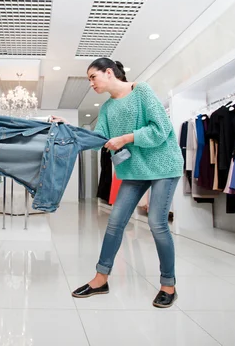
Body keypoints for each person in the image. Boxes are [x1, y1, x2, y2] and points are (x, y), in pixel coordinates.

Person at [53, 58, 183, 308]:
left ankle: (168, 285)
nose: (91, 83)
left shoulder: (141, 90)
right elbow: (97, 138)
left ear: (109, 72)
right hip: (134, 170)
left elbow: (161, 128)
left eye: (93, 77)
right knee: (114, 222)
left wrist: (124, 138)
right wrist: (67, 127)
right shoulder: (107, 108)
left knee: (157, 223)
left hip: (163, 165)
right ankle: (100, 279)